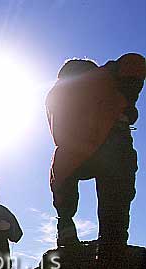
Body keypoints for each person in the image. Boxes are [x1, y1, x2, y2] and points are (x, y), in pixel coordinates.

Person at [46, 54, 145, 252]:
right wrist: (128, 104)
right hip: (112, 145)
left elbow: (58, 135)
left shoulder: (54, 93)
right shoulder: (102, 76)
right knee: (115, 209)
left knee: (62, 179)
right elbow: (136, 63)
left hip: (73, 152)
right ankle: (111, 244)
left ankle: (66, 228)